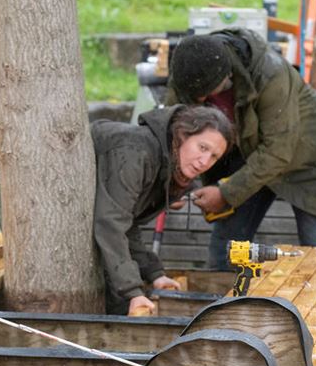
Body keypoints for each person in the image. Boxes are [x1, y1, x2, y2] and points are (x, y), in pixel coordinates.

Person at [166, 28, 316, 270]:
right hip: (249, 154)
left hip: (313, 158)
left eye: (206, 94)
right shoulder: (189, 70)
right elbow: (172, 131)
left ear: (226, 76)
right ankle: (223, 293)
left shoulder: (270, 73)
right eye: (196, 96)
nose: (201, 101)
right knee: (226, 252)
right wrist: (174, 181)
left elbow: (277, 151)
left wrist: (226, 193)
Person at [92, 104, 233, 316]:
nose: (205, 162)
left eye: (214, 156)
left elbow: (128, 224)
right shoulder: (135, 152)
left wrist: (154, 274)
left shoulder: (169, 164)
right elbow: (111, 224)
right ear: (182, 135)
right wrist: (132, 292)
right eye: (202, 148)